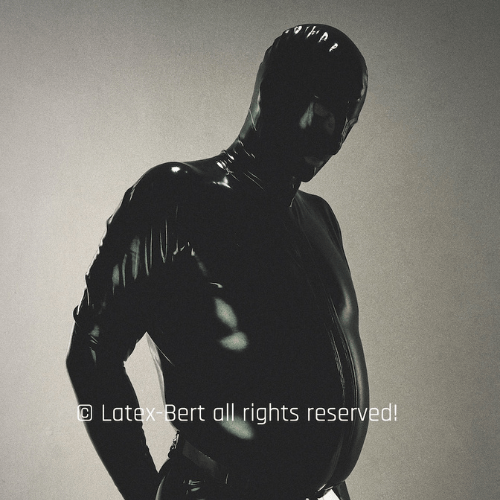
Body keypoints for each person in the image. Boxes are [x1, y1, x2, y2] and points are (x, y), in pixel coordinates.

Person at [67, 24, 369, 500]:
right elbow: (92, 353)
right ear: (277, 94)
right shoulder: (175, 197)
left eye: (347, 123)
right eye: (325, 113)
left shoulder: (320, 218)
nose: (333, 140)